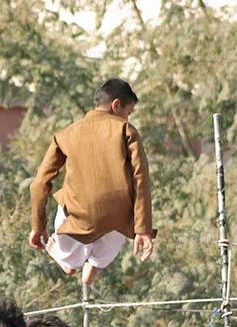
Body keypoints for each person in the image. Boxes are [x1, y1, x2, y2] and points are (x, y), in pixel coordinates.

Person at [28, 78, 156, 285]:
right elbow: (140, 181)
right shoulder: (126, 130)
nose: (128, 118)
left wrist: (38, 226)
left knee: (68, 223)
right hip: (117, 220)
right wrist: (143, 230)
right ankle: (93, 267)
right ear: (116, 105)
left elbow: (39, 184)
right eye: (128, 112)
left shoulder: (65, 134)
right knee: (117, 220)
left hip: (77, 219)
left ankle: (67, 260)